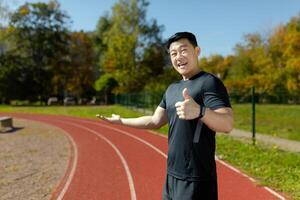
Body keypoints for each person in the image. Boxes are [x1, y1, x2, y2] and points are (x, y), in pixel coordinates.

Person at [97, 32, 233, 200]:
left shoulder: (209, 82)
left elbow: (227, 124)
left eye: (184, 50)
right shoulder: (172, 89)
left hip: (196, 178)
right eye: (173, 53)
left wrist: (200, 111)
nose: (178, 57)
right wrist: (121, 121)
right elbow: (154, 121)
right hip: (172, 175)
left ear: (197, 51)